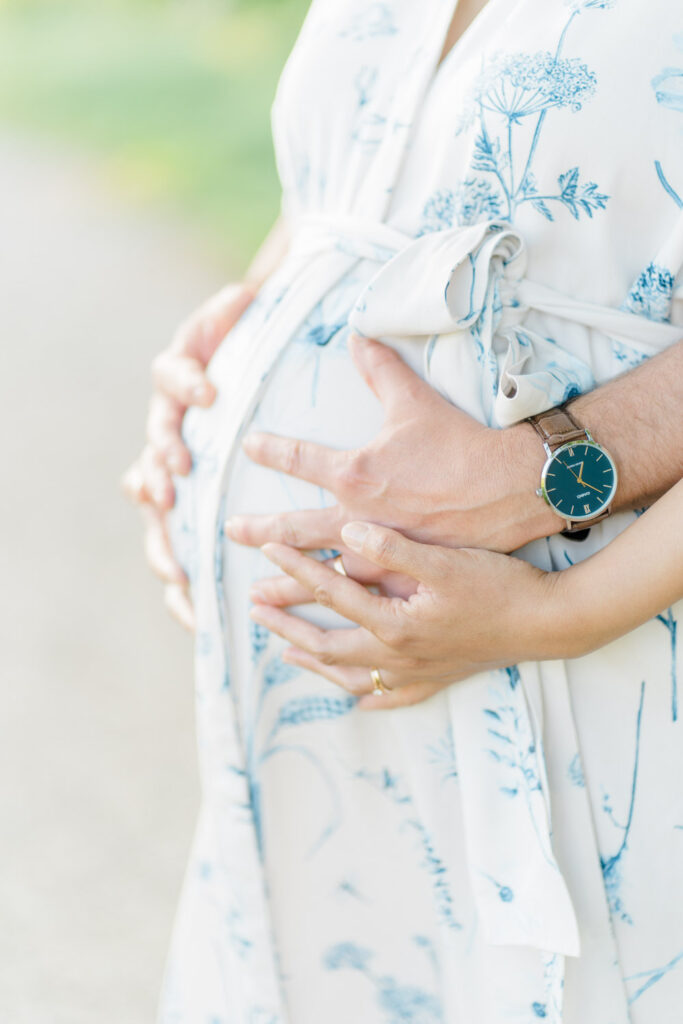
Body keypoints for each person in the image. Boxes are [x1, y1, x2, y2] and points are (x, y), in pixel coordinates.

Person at [123, 0, 683, 1020]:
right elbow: (361, 179)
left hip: (591, 662)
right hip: (313, 716)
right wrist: (236, 341)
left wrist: (553, 578)